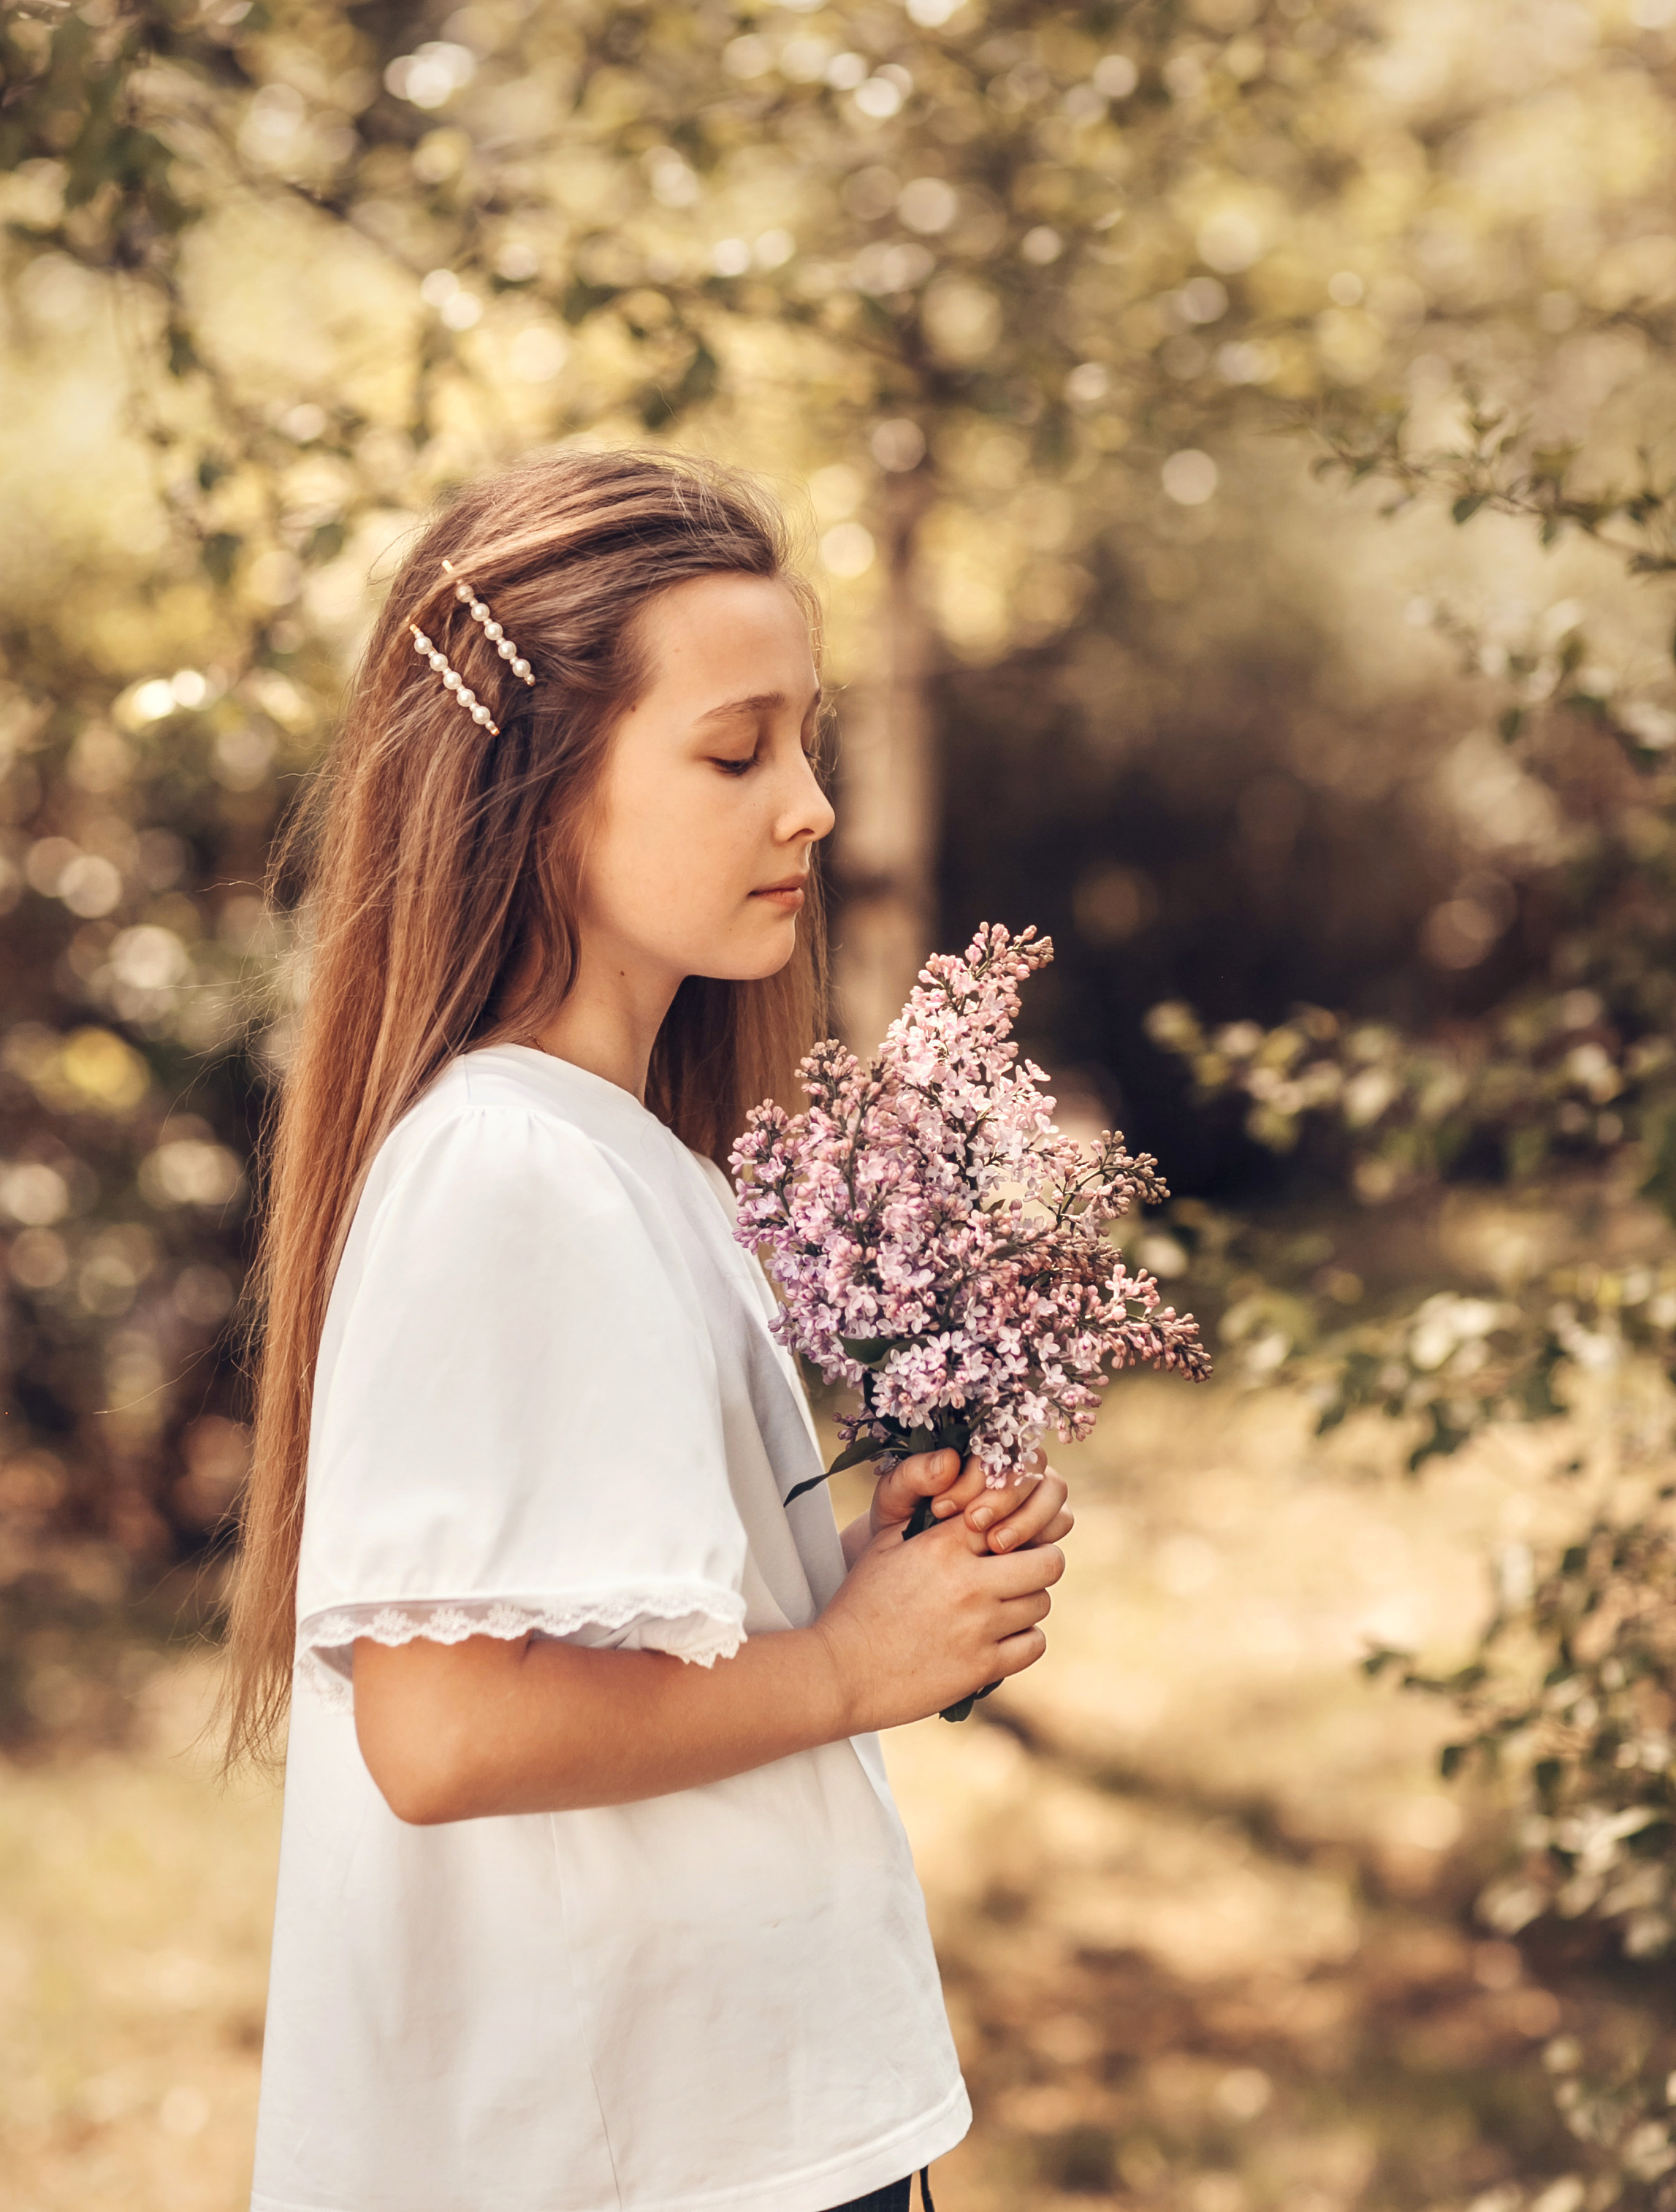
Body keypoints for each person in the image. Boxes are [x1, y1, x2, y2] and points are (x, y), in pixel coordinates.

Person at [224, 444, 1076, 2212]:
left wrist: (849, 1584)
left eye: (805, 742)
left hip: (723, 2123)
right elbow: (447, 1729)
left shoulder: (623, 1156)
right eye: (732, 749)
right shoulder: (508, 1170)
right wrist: (848, 1669)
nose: (809, 808)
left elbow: (592, 1628)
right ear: (533, 794)